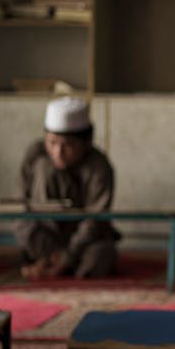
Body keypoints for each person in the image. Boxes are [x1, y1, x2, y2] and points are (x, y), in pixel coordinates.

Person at [16, 96, 118, 279]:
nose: (58, 152)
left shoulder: (98, 166)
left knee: (100, 255)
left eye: (68, 145)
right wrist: (47, 250)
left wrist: (68, 254)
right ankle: (46, 261)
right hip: (45, 235)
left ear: (86, 143)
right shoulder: (36, 155)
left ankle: (57, 266)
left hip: (83, 241)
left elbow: (95, 219)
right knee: (25, 229)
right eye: (52, 143)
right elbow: (20, 205)